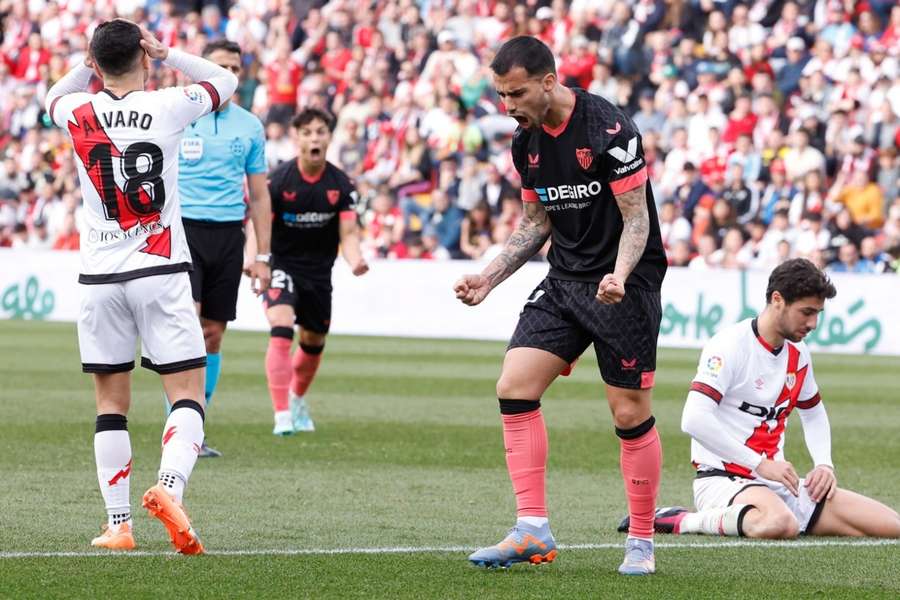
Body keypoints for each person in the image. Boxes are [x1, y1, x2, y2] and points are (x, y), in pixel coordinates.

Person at [454, 36, 668, 575]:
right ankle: (531, 529)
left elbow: (636, 218)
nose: (508, 106)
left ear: (549, 81)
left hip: (626, 284)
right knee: (514, 385)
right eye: (502, 95)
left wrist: (619, 275)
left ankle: (641, 542)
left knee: (628, 413)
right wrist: (489, 277)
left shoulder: (610, 131)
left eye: (516, 93)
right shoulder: (524, 142)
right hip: (566, 281)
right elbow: (535, 223)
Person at [44, 19, 238, 553]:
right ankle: (170, 486)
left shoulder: (77, 111)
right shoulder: (169, 104)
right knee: (187, 394)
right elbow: (225, 81)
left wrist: (87, 63)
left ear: (94, 60)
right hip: (160, 269)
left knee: (111, 402)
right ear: (145, 58)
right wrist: (169, 51)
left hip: (99, 276)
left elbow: (51, 97)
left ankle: (118, 525)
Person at [618, 259, 900, 539]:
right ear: (777, 299)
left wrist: (824, 464)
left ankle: (776, 510)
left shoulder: (798, 355)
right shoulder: (729, 345)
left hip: (777, 484)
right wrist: (760, 464)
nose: (813, 323)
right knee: (780, 525)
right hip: (721, 480)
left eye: (818, 314)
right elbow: (693, 419)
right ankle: (682, 520)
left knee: (892, 526)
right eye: (806, 312)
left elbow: (813, 412)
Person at [176, 39, 272, 458]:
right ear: (198, 70)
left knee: (213, 335)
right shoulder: (175, 116)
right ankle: (178, 429)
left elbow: (260, 196)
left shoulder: (249, 125)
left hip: (228, 234)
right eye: (219, 67)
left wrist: (264, 255)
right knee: (188, 329)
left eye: (233, 68)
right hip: (181, 231)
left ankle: (194, 428)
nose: (227, 74)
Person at [260, 108, 368, 436]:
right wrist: (259, 260)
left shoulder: (341, 184)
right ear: (297, 138)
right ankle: (281, 416)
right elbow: (259, 225)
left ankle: (296, 399)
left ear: (329, 137)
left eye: (320, 132)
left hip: (319, 274)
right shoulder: (278, 181)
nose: (314, 138)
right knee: (281, 327)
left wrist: (355, 260)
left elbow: (348, 235)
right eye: (307, 132)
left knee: (313, 341)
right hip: (282, 265)